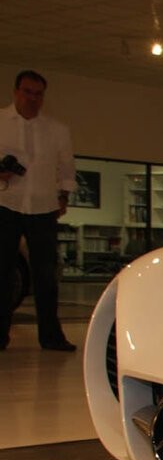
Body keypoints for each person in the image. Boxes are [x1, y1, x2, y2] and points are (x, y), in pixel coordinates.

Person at [0, 69, 77, 351]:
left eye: (38, 94)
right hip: (5, 204)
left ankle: (51, 336)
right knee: (2, 272)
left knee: (46, 274)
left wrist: (63, 197)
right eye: (27, 92)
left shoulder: (57, 130)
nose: (32, 98)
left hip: (43, 208)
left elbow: (66, 168)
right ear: (16, 92)